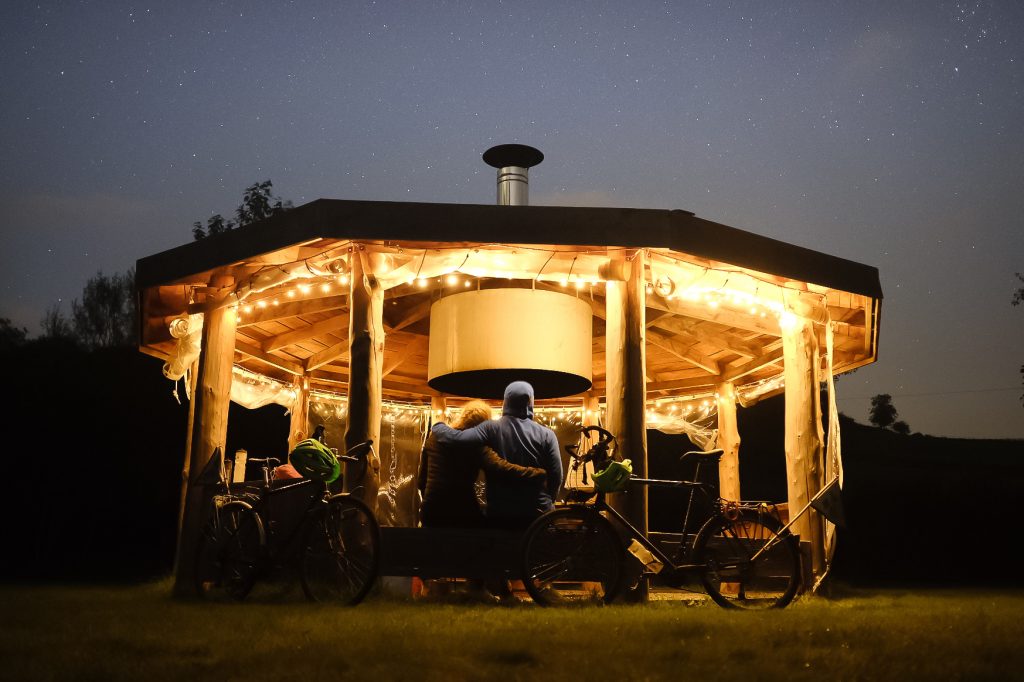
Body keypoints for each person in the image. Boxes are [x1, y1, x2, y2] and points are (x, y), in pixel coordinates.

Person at [431, 381, 562, 530]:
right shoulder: (547, 435)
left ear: (506, 401)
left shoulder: (490, 428)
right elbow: (556, 476)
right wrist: (548, 501)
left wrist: (438, 425)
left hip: (501, 514)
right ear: (530, 402)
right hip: (538, 514)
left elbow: (456, 439)